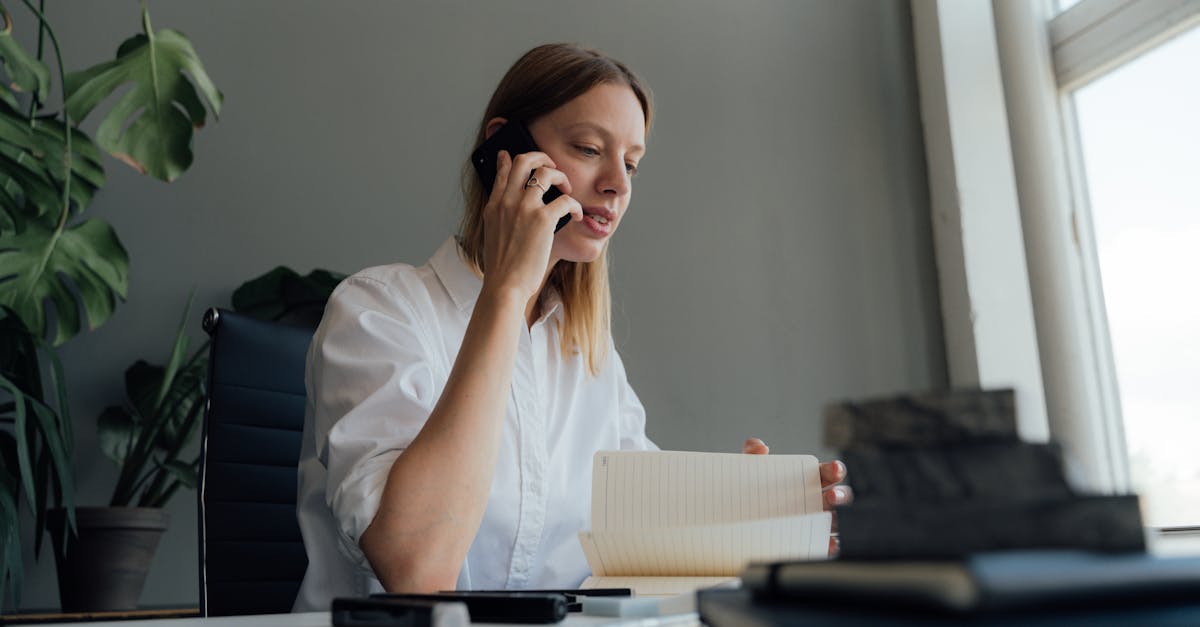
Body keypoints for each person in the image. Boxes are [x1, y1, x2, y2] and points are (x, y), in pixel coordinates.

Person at [292, 43, 850, 612]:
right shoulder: (378, 310)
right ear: (503, 149)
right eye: (588, 149)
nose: (617, 184)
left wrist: (760, 514)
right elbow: (417, 568)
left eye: (631, 163)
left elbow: (636, 535)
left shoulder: (585, 351)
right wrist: (507, 292)